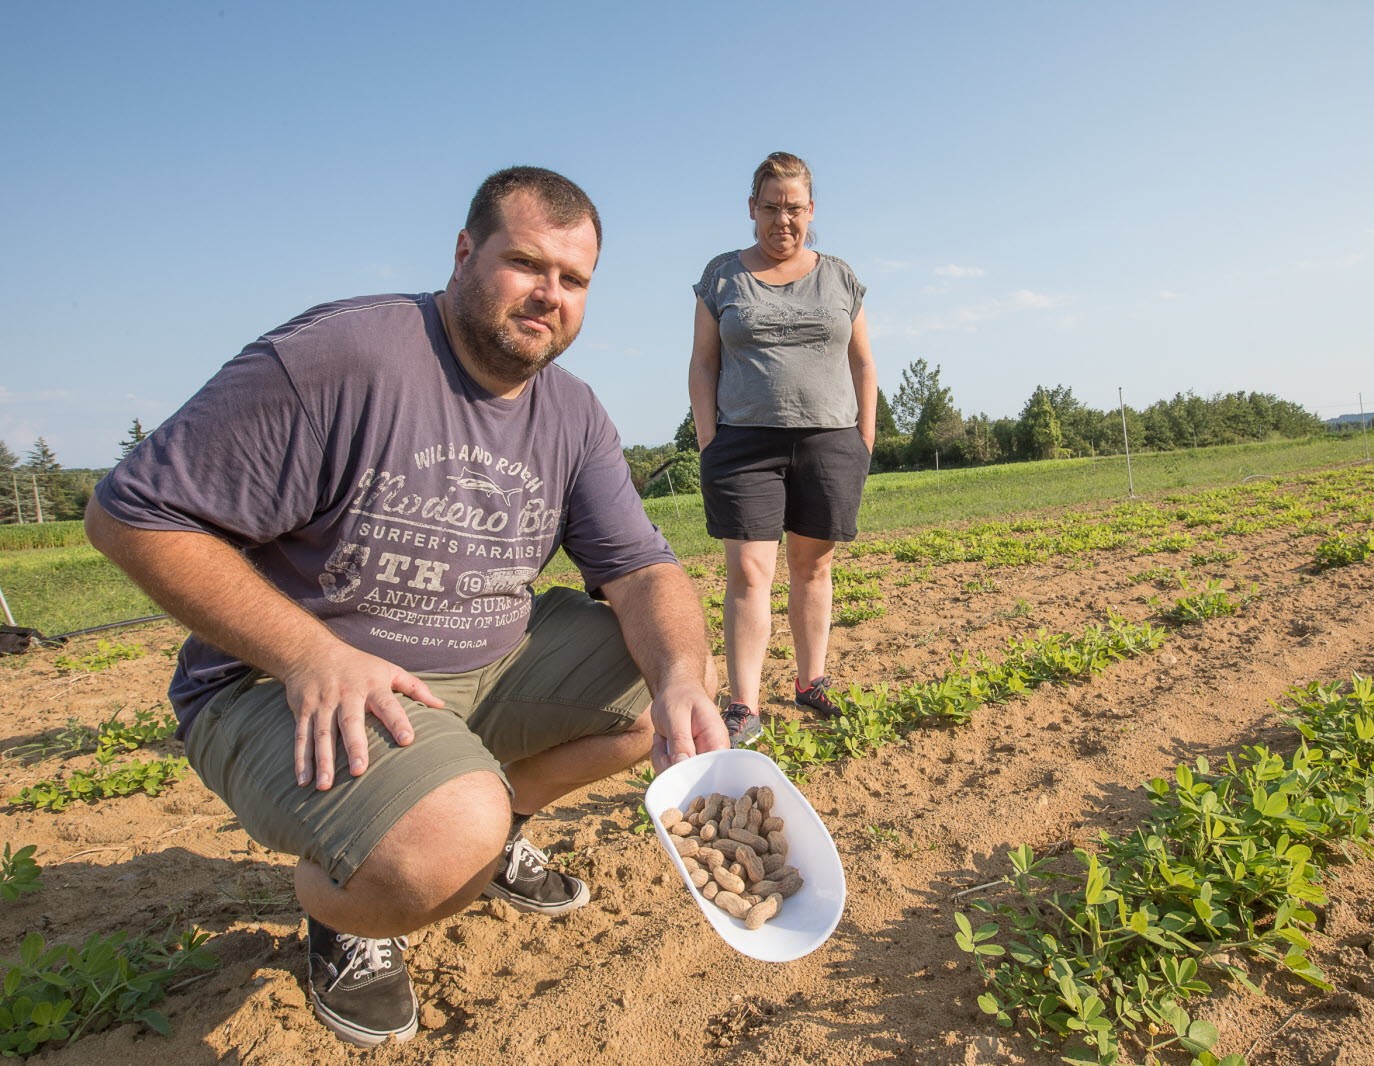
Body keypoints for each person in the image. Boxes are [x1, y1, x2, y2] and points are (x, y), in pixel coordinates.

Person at [86, 167, 727, 1047]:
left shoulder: (572, 414)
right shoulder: (341, 360)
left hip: (486, 663)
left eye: (573, 280)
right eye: (526, 264)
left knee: (653, 689)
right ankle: (351, 912)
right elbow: (130, 514)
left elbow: (644, 570)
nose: (550, 296)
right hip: (280, 681)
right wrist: (312, 655)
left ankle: (490, 829)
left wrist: (684, 676)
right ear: (464, 253)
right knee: (443, 843)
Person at [688, 152, 877, 746]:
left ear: (811, 210)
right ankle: (744, 703)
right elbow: (703, 363)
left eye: (794, 208)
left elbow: (863, 361)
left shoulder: (841, 277)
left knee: (813, 564)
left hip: (829, 439)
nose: (782, 221)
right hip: (743, 445)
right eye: (770, 208)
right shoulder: (723, 275)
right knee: (748, 571)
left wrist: (864, 440)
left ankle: (810, 680)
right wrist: (708, 439)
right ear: (752, 209)